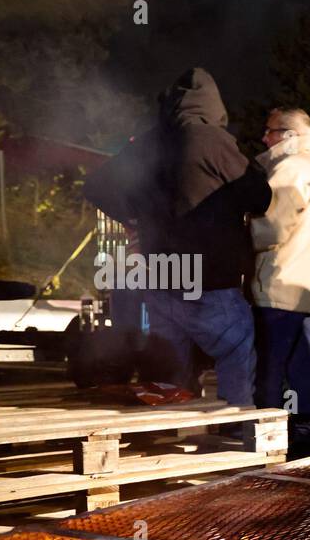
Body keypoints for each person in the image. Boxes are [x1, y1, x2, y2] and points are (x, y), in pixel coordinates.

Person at [83, 67, 270, 403]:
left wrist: (132, 218)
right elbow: (260, 196)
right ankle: (237, 436)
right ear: (214, 105)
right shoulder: (211, 140)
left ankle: (174, 436)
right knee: (235, 353)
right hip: (210, 278)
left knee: (170, 370)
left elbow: (95, 187)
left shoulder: (147, 144)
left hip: (161, 277)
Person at [249, 107, 310, 455]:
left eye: (269, 131)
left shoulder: (291, 168)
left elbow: (271, 228)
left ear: (288, 135)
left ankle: (267, 441)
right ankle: (303, 433)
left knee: (271, 370)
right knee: (303, 368)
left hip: (279, 287)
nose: (264, 138)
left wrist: (244, 227)